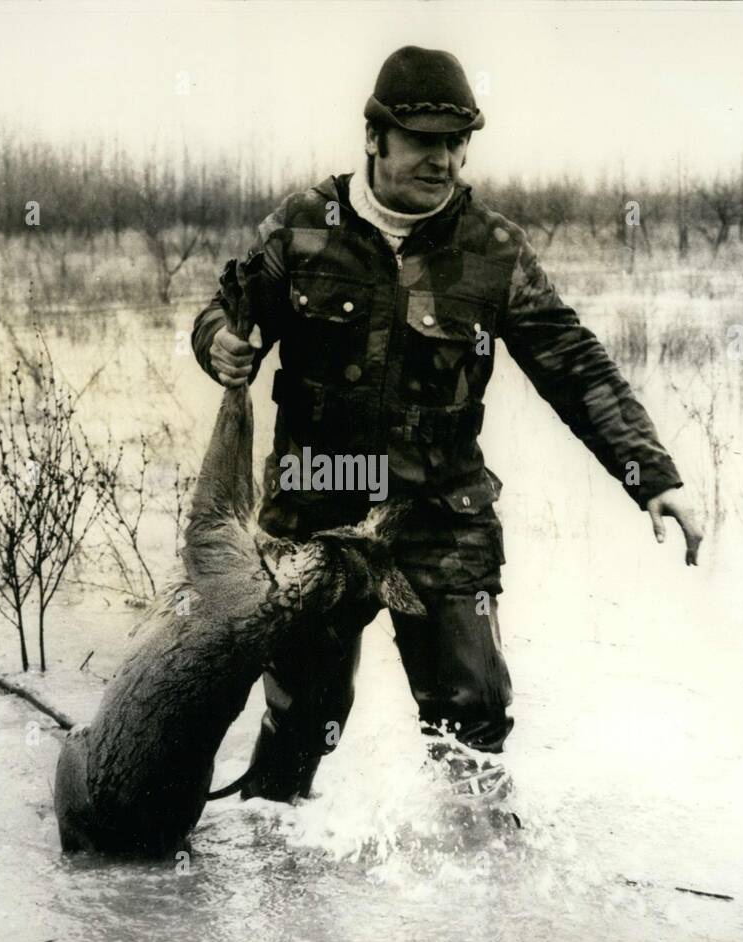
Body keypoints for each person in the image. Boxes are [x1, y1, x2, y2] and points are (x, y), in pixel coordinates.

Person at [191, 45, 703, 803]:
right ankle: (282, 875)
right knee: (305, 716)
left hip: (443, 512)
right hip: (314, 507)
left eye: (456, 142)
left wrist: (653, 477)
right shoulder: (303, 226)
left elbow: (575, 363)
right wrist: (220, 346)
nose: (444, 159)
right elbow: (225, 316)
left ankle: (480, 889)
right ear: (375, 138)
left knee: (475, 717)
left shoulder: (491, 250)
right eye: (423, 140)